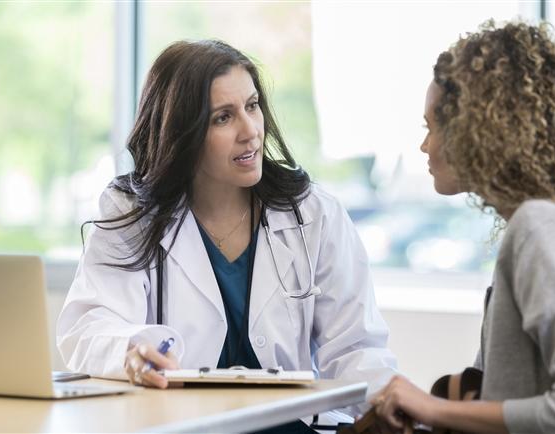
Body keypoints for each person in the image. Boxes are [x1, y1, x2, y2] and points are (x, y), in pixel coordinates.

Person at [56, 40, 397, 423]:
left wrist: (390, 405)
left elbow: (355, 348)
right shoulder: (133, 212)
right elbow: (88, 326)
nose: (250, 131)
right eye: (223, 117)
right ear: (181, 132)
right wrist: (131, 349)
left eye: (252, 106)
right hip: (180, 426)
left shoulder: (313, 214)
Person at [371, 21, 555, 434]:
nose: (424, 146)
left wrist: (434, 409)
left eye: (432, 127)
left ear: (480, 129)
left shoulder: (542, 227)